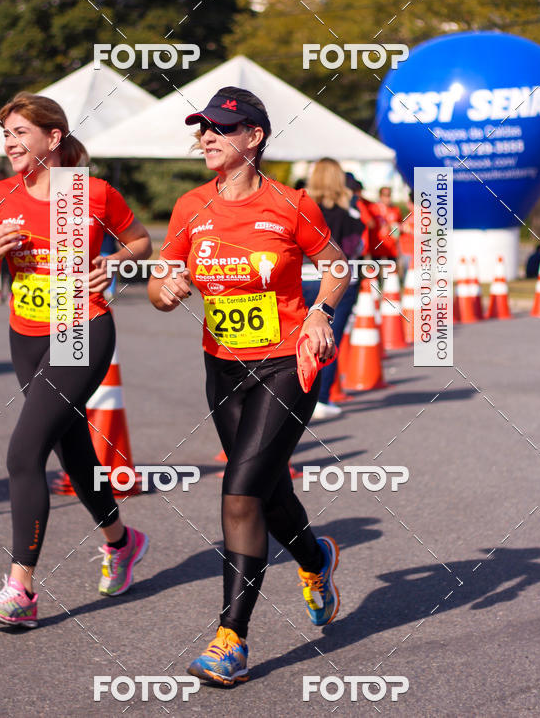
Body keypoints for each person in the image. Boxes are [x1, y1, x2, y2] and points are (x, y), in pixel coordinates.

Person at [148, 86, 349, 686]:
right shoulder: (190, 207)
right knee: (261, 489)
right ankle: (315, 558)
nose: (206, 136)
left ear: (253, 137)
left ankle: (230, 639)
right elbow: (161, 282)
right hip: (223, 368)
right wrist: (165, 290)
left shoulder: (291, 205)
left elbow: (337, 264)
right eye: (202, 128)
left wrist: (320, 312)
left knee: (238, 494)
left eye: (220, 128)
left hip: (287, 362)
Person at [0, 92, 151, 629]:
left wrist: (115, 260)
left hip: (80, 329)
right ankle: (121, 541)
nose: (9, 141)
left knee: (24, 453)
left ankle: (20, 588)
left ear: (53, 138)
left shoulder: (91, 194)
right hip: (25, 336)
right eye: (5, 132)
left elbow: (139, 239)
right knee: (72, 449)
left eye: (21, 131)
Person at [302, 159, 364, 419]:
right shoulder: (351, 215)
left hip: (301, 277)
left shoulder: (301, 210)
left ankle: (295, 395)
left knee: (299, 339)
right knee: (328, 340)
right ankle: (321, 398)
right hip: (339, 281)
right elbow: (355, 250)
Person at [372, 185, 402, 263]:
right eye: (385, 195)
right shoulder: (373, 209)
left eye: (389, 195)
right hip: (377, 248)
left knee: (391, 273)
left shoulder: (395, 210)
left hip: (391, 248)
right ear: (380, 196)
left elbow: (399, 227)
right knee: (375, 272)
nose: (387, 198)